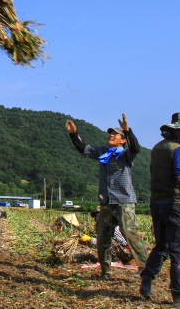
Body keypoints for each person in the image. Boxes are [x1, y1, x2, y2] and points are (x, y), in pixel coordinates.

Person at [65, 114, 147, 279]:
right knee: (103, 235)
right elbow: (83, 149)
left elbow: (136, 148)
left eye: (115, 134)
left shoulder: (126, 155)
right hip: (106, 201)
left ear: (122, 140)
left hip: (124, 200)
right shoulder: (102, 152)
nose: (111, 135)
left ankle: (144, 268)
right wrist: (74, 134)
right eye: (110, 134)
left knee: (128, 232)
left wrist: (127, 131)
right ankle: (105, 271)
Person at [139, 112, 180, 309]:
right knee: (179, 250)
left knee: (161, 246)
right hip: (175, 205)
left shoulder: (157, 148)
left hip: (157, 204)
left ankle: (146, 280)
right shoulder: (179, 151)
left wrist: (154, 204)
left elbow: (154, 175)